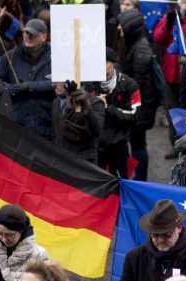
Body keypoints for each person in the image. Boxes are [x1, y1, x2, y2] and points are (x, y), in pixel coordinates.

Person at [0, 19, 54, 140]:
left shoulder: (55, 56)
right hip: (17, 123)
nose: (28, 36)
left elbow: (58, 83)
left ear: (44, 37)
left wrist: (28, 86)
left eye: (32, 34)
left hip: (47, 124)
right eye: (26, 33)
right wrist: (10, 88)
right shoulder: (10, 56)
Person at [117, 10, 158, 181]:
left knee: (138, 144)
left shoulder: (141, 50)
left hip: (140, 107)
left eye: (122, 25)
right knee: (136, 143)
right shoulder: (134, 43)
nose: (118, 28)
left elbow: (137, 84)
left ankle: (141, 180)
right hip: (139, 105)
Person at [0, 204, 48, 281]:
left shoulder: (39, 255)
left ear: (21, 231)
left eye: (9, 235)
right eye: (0, 233)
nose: (3, 239)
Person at [97, 47, 140, 179]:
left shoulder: (129, 85)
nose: (100, 66)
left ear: (112, 63)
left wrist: (108, 108)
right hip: (97, 145)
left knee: (121, 183)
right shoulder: (90, 85)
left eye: (104, 62)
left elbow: (135, 115)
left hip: (119, 144)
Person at [52, 81, 104, 164]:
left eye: (58, 82)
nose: (54, 85)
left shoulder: (94, 102)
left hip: (84, 163)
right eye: (53, 81)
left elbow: (97, 131)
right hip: (62, 161)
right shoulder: (56, 102)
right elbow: (56, 134)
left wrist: (87, 107)